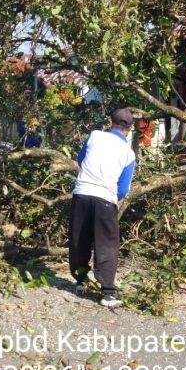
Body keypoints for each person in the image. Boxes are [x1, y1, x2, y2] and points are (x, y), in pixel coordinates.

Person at [69, 108, 136, 308]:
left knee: (79, 238)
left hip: (81, 193)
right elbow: (123, 188)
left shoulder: (94, 137)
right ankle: (107, 292)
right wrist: (110, 199)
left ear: (109, 122)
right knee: (106, 244)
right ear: (130, 128)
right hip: (105, 199)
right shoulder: (128, 153)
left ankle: (80, 281)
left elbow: (81, 160)